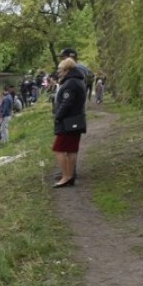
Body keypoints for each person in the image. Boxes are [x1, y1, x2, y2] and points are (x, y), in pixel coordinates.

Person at [52, 57, 87, 188]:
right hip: (76, 121)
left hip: (68, 122)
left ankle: (65, 176)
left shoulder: (70, 83)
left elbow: (67, 103)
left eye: (60, 70)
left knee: (59, 148)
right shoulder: (78, 81)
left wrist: (58, 116)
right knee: (72, 150)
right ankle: (70, 176)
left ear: (67, 70)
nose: (59, 72)